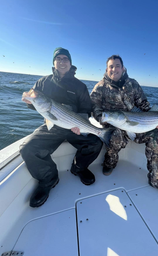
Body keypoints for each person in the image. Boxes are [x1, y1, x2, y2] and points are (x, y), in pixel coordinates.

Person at [90, 55, 158, 201]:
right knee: (113, 136)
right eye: (111, 66)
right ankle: (109, 162)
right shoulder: (100, 87)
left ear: (123, 68)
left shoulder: (132, 84)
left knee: (157, 134)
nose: (114, 69)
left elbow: (144, 106)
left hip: (138, 125)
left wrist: (155, 120)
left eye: (117, 65)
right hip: (116, 126)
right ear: (106, 69)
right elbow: (93, 107)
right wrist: (101, 118)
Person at [20, 47, 103, 207]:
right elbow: (39, 105)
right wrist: (30, 102)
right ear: (54, 62)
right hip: (51, 125)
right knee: (27, 149)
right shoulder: (43, 82)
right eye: (58, 58)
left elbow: (86, 108)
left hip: (74, 126)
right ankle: (49, 179)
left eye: (65, 58)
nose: (62, 61)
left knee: (96, 143)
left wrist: (80, 124)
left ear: (70, 63)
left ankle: (79, 168)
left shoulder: (79, 86)